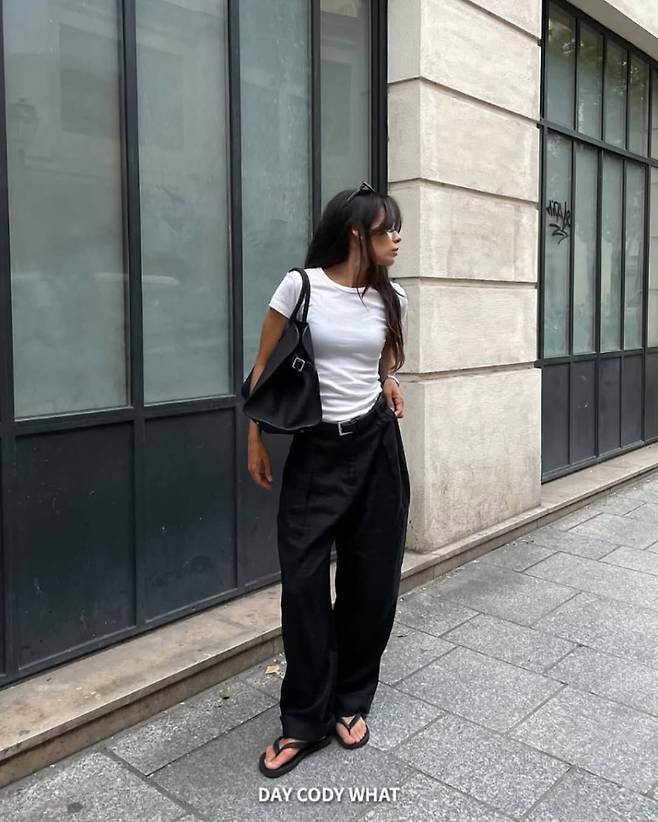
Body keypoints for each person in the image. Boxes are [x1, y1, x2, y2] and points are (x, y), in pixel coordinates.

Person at [247, 181, 410, 778]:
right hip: (316, 452)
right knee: (303, 585)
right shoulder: (302, 287)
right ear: (356, 234)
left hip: (376, 448)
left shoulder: (393, 297)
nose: (397, 238)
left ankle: (349, 700)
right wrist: (255, 437)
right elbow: (263, 367)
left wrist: (390, 380)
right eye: (387, 229)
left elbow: (383, 363)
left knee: (372, 581)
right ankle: (304, 719)